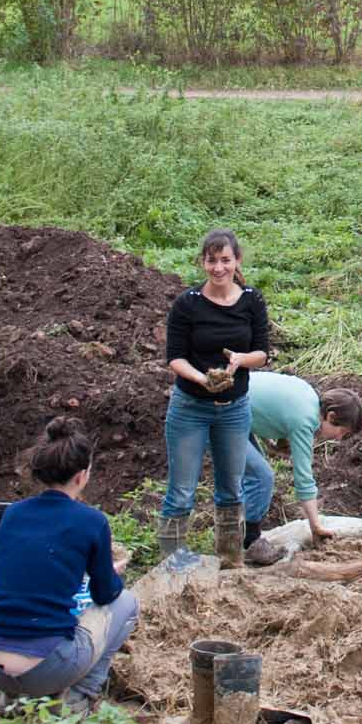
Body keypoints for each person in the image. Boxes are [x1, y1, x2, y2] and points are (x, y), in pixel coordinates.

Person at [0, 417, 139, 713]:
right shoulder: (91, 521)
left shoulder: (12, 514)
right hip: (47, 667)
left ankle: (13, 698)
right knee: (127, 603)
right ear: (82, 475)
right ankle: (79, 696)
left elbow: (30, 572)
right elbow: (105, 594)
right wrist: (109, 573)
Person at [159, 228, 273, 566]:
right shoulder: (188, 304)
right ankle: (172, 560)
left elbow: (262, 353)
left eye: (225, 260)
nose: (218, 268)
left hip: (234, 410)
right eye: (212, 261)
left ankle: (230, 558)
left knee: (231, 489)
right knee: (181, 491)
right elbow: (175, 357)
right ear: (202, 262)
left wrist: (238, 360)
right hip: (190, 407)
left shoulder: (252, 300)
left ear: (236, 261)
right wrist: (201, 378)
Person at [237, 379, 362, 556]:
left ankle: (237, 532)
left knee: (255, 473)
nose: (338, 439)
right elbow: (303, 481)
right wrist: (316, 527)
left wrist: (275, 441)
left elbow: (266, 407)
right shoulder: (305, 421)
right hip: (218, 413)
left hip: (233, 408)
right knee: (261, 476)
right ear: (331, 416)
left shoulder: (309, 396)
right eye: (342, 432)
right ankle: (248, 542)